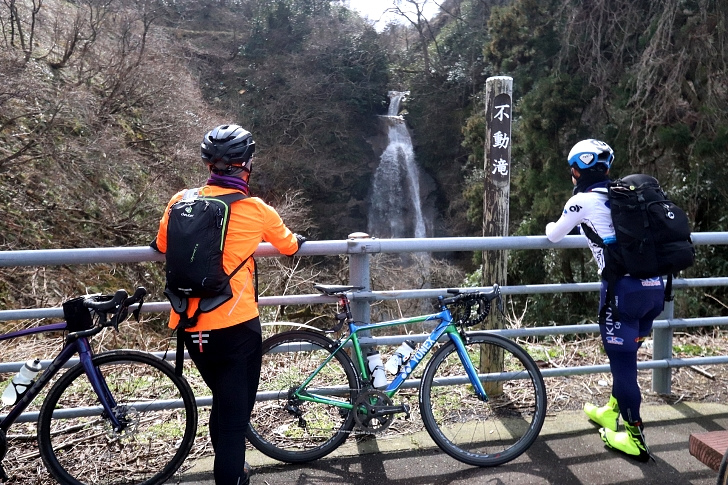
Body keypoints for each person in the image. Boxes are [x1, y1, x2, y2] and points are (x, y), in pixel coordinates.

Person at [152, 124, 305, 484]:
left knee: (222, 401)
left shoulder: (180, 201)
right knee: (235, 420)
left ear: (208, 164)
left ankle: (234, 469)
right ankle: (232, 475)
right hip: (236, 327)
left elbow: (161, 246)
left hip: (191, 325)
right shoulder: (256, 209)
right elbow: (289, 247)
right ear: (246, 164)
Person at [545, 139, 663, 462]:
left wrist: (547, 225)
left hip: (621, 293)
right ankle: (612, 412)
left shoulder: (581, 201)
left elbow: (554, 234)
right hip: (653, 290)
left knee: (624, 367)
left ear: (575, 171)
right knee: (625, 358)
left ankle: (636, 439)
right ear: (607, 169)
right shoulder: (625, 194)